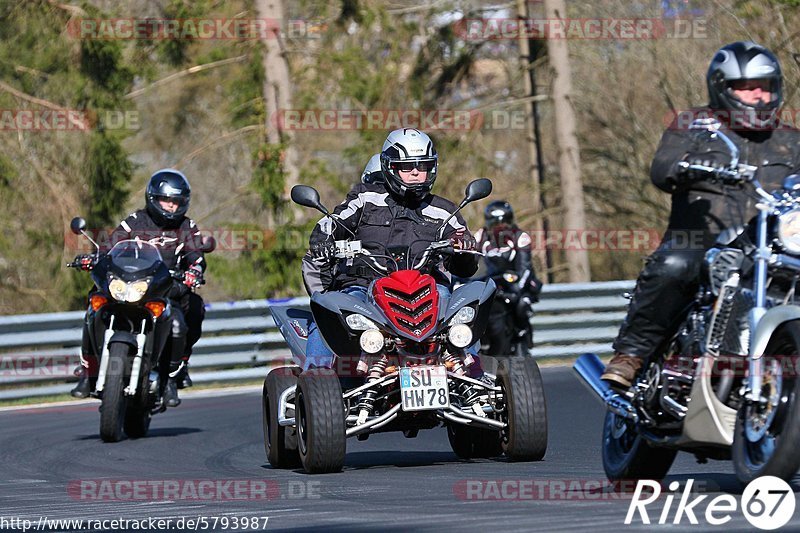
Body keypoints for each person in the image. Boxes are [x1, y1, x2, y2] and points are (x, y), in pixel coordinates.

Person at [602, 41, 800, 388]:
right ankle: (632, 353)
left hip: (769, 243)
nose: (757, 95)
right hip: (703, 239)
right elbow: (662, 169)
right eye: (746, 87)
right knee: (675, 264)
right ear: (723, 88)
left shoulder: (790, 140)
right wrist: (692, 165)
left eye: (764, 87)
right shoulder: (693, 126)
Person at [301, 128, 479, 370]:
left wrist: (465, 248)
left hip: (427, 291)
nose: (416, 172)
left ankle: (474, 378)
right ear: (391, 168)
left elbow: (465, 263)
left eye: (423, 165)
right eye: (408, 167)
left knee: (459, 309)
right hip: (362, 289)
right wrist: (323, 240)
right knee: (331, 310)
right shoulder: (364, 199)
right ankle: (317, 380)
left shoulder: (445, 211)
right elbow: (333, 223)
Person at [71, 169, 208, 407]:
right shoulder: (135, 220)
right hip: (129, 284)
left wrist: (194, 270)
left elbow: (196, 256)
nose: (171, 206)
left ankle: (171, 378)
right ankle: (88, 371)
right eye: (166, 200)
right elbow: (111, 245)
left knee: (185, 316)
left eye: (176, 201)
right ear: (153, 198)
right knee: (95, 304)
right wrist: (94, 258)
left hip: (165, 288)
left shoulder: (187, 227)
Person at [474, 200, 542, 355]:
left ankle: (522, 331)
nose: (500, 226)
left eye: (504, 222)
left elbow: (524, 267)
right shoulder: (481, 236)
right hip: (490, 281)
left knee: (521, 304)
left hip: (516, 280)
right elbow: (470, 262)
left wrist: (517, 290)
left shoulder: (520, 236)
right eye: (496, 222)